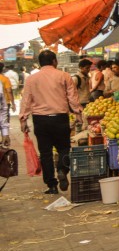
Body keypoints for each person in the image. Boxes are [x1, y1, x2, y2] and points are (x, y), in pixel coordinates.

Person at [19, 50, 81, 194]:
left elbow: (26, 100)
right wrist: (78, 113)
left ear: (40, 63)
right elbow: (72, 97)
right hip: (60, 118)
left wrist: (23, 120)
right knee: (64, 148)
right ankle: (62, 169)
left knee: (45, 152)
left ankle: (51, 185)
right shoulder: (64, 76)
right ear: (54, 61)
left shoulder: (31, 79)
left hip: (40, 120)